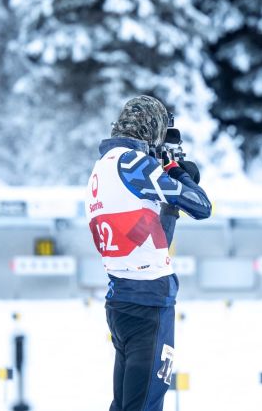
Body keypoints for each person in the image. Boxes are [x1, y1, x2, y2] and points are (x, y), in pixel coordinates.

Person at [86, 95, 211, 411]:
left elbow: (142, 232)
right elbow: (201, 206)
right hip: (150, 302)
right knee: (146, 404)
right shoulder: (133, 163)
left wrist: (166, 196)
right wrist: (175, 171)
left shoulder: (102, 168)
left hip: (120, 299)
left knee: (126, 404)